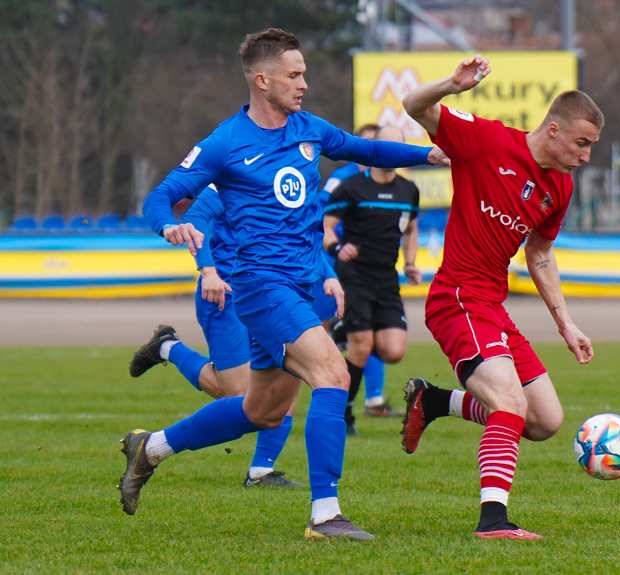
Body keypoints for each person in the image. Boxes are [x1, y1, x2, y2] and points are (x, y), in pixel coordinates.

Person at [117, 28, 449, 541]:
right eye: (295, 75)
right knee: (334, 374)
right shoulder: (225, 142)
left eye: (305, 74)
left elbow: (368, 149)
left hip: (301, 286)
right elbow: (160, 197)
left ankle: (151, 447)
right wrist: (169, 226)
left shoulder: (309, 129)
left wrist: (428, 156)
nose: (304, 84)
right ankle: (325, 514)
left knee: (262, 409)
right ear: (262, 79)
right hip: (259, 287)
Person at [399, 55, 603, 540]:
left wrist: (565, 324)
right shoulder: (486, 140)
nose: (586, 156)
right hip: (456, 297)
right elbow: (412, 105)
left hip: (491, 307)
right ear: (553, 129)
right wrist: (451, 84)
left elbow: (542, 255)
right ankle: (493, 521)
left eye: (591, 146)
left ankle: (432, 402)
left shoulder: (559, 187)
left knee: (545, 421)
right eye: (581, 143)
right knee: (509, 402)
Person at [127, 184, 301, 488]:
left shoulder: (285, 174)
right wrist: (208, 270)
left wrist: (328, 277)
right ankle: (168, 347)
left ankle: (261, 471)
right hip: (224, 293)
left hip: (270, 292)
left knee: (291, 369)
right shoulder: (233, 171)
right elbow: (197, 219)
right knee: (237, 395)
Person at [323, 125, 420, 435]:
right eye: (386, 148)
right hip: (354, 277)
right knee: (362, 348)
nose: (392, 154)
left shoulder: (408, 190)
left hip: (387, 279)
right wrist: (338, 247)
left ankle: (344, 332)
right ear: (375, 150)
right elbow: (324, 229)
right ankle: (345, 413)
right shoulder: (350, 188)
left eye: (399, 148)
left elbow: (411, 229)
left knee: (394, 351)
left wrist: (411, 262)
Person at [314, 123, 398, 424]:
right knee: (319, 334)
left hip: (368, 271)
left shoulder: (384, 179)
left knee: (370, 331)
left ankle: (371, 399)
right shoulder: (341, 179)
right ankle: (330, 400)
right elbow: (321, 224)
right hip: (331, 269)